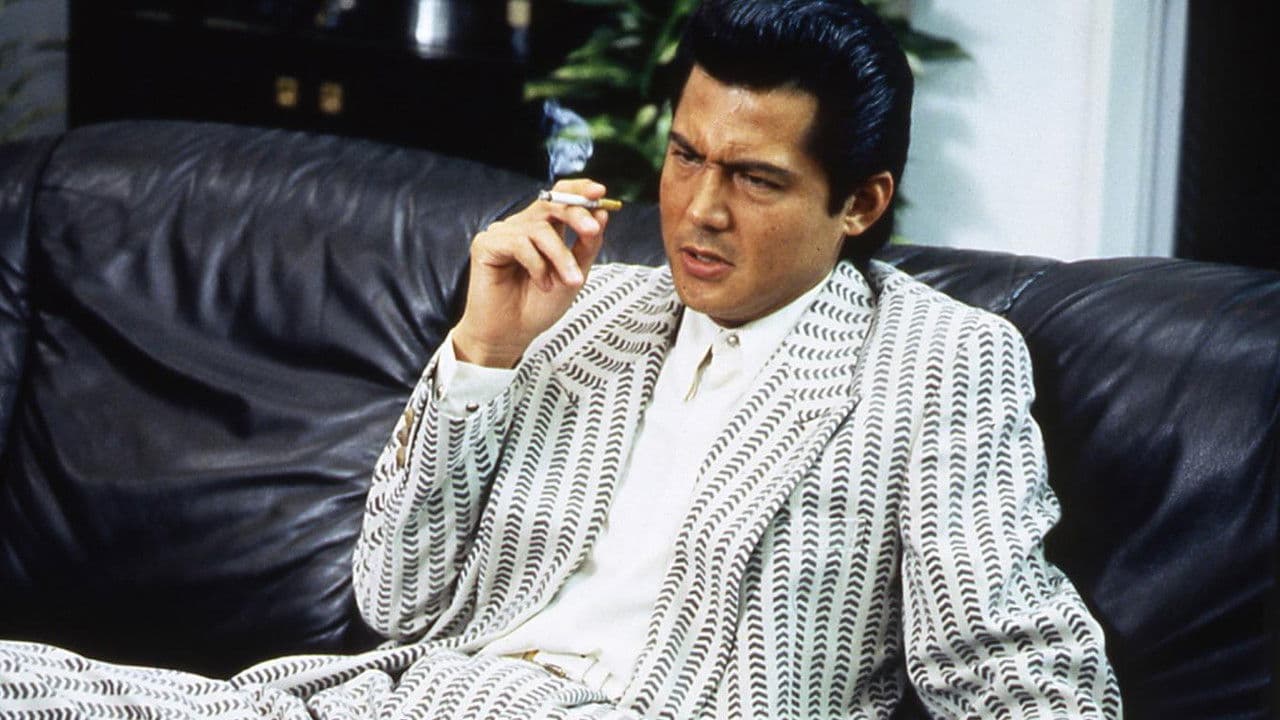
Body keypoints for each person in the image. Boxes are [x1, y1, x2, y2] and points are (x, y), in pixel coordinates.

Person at [0, 1, 1120, 718]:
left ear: (861, 204)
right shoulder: (589, 313)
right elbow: (394, 599)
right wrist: (484, 351)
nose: (698, 209)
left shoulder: (938, 361)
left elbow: (1016, 662)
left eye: (754, 178)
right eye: (684, 157)